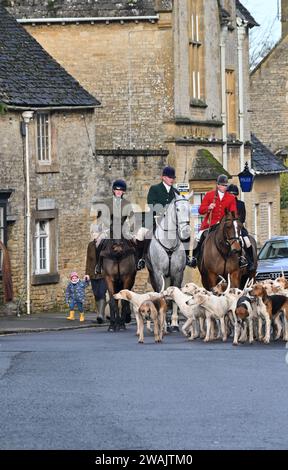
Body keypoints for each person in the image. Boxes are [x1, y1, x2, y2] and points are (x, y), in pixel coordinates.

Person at [137, 166, 193, 268]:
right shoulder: (154, 188)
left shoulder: (176, 192)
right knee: (141, 233)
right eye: (169, 177)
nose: (172, 179)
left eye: (173, 178)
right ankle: (141, 258)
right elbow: (150, 203)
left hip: (171, 221)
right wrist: (162, 210)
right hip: (155, 217)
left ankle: (187, 258)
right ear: (163, 177)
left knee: (185, 232)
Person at [191, 174, 238, 267]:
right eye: (223, 185)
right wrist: (208, 207)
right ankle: (195, 259)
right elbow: (201, 210)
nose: (225, 187)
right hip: (210, 224)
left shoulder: (231, 198)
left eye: (226, 185)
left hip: (225, 226)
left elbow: (234, 212)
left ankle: (240, 258)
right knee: (199, 237)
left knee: (237, 238)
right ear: (218, 185)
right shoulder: (209, 195)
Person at [94, 179, 136, 273]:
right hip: (109, 228)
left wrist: (132, 229)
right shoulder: (106, 202)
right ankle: (98, 265)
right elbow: (100, 217)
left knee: (134, 242)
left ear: (123, 192)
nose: (118, 192)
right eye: (117, 190)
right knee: (98, 243)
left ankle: (136, 263)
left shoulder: (127, 203)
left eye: (121, 190)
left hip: (123, 229)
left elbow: (132, 217)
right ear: (113, 190)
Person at [227, 183, 254, 271]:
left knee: (247, 242)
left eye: (233, 194)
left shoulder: (241, 204)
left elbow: (243, 218)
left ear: (236, 195)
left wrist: (236, 223)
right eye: (230, 194)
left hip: (238, 227)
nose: (231, 196)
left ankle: (250, 262)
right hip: (228, 228)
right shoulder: (225, 204)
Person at [85, 230, 108, 324]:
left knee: (102, 292)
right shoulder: (90, 245)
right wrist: (87, 273)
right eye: (92, 233)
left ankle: (101, 315)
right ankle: (99, 314)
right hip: (93, 274)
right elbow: (88, 261)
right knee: (96, 294)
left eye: (95, 233)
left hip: (103, 274)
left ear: (100, 234)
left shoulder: (106, 244)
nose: (93, 235)